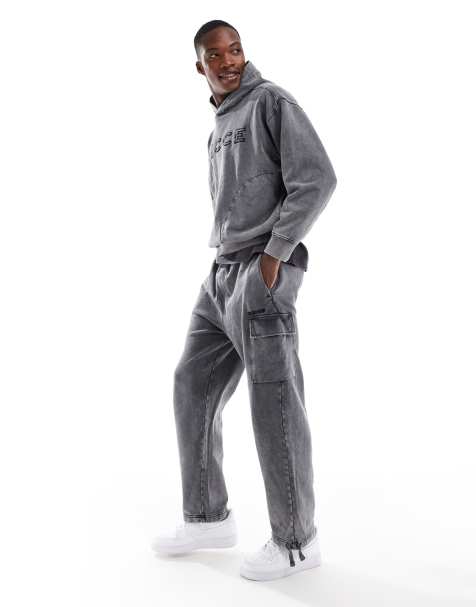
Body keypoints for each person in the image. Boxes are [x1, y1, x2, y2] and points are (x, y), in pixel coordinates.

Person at [152, 19, 337, 581]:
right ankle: (207, 517)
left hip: (261, 273)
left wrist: (274, 255)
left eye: (235, 50)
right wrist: (227, 268)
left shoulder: (271, 102)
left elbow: (317, 178)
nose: (229, 60)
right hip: (221, 274)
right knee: (191, 383)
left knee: (273, 401)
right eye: (216, 55)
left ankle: (296, 541)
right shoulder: (218, 125)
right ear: (200, 66)